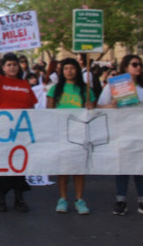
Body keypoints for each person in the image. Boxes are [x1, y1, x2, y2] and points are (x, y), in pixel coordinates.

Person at [97, 54, 143, 218]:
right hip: (122, 132)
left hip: (141, 133)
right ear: (125, 67)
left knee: (141, 167)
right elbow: (100, 106)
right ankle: (121, 200)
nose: (138, 67)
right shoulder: (114, 86)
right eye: (134, 64)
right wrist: (110, 106)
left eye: (139, 64)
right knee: (122, 167)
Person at [0, 52, 37, 212]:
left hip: (21, 132)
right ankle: (0, 198)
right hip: (2, 131)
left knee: (19, 166)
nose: (12, 67)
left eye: (15, 64)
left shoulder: (25, 84)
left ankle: (19, 197)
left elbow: (32, 107)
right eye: (8, 65)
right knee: (2, 165)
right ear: (3, 67)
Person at [46, 58, 95, 215]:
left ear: (77, 70)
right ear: (62, 71)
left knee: (79, 168)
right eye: (66, 68)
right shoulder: (55, 89)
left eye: (72, 68)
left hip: (80, 133)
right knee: (64, 168)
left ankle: (79, 200)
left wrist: (90, 106)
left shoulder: (85, 89)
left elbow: (94, 108)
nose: (69, 71)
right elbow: (49, 110)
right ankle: (63, 198)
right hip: (62, 133)